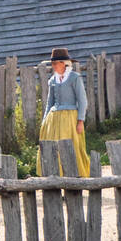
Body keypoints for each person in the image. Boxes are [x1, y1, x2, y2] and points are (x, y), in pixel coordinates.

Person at [37, 47, 90, 178]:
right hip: (53, 120)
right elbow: (49, 103)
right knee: (52, 147)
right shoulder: (53, 81)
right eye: (52, 64)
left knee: (71, 146)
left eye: (56, 63)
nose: (54, 66)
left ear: (64, 63)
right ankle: (54, 176)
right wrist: (44, 121)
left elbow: (82, 101)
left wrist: (80, 121)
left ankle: (75, 175)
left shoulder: (74, 78)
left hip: (70, 118)